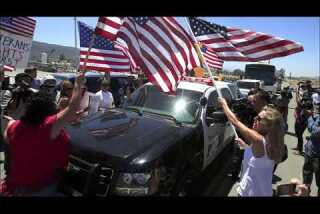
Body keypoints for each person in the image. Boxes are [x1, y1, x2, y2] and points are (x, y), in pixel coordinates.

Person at [0, 73, 86, 196]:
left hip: (13, 187)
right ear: (48, 110)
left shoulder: (13, 127)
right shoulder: (48, 127)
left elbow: (8, 125)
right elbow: (72, 108)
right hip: (38, 189)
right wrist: (78, 84)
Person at [219, 97, 285, 196]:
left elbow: (235, 121)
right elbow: (260, 158)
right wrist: (246, 147)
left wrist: (224, 104)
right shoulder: (270, 142)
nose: (255, 119)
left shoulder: (259, 139)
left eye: (259, 119)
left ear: (269, 125)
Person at [302, 111, 320, 196]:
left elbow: (314, 130)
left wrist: (309, 117)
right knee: (306, 173)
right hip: (310, 151)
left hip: (317, 155)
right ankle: (306, 191)